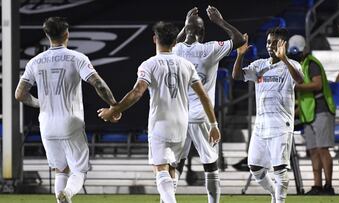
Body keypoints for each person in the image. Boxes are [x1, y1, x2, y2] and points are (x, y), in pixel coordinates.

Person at [97, 21, 221, 203]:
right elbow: (204, 97)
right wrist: (213, 125)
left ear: (155, 39)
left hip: (161, 124)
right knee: (171, 169)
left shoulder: (149, 64)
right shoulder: (186, 65)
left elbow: (137, 92)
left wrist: (113, 110)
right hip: (181, 125)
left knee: (159, 169)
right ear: (174, 43)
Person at [15, 17, 118, 203]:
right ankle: (68, 193)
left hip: (47, 125)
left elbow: (19, 94)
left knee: (60, 170)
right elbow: (99, 84)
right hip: (70, 123)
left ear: (47, 35)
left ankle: (63, 197)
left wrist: (42, 103)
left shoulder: (35, 62)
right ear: (67, 34)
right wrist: (113, 105)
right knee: (79, 171)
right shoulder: (77, 58)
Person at [172, 6, 245, 203]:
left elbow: (174, 44)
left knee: (176, 163)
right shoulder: (209, 49)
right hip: (202, 116)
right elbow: (240, 40)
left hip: (179, 116)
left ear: (186, 30)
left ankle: (167, 199)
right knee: (210, 162)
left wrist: (186, 23)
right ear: (202, 33)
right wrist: (220, 21)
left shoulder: (176, 50)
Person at [232, 27, 304, 203]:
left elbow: (300, 79)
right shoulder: (259, 65)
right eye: (268, 42)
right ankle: (273, 193)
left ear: (283, 44)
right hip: (262, 124)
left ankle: (279, 201)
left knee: (280, 169)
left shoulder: (292, 65)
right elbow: (236, 76)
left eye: (274, 42)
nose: (270, 45)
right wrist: (240, 55)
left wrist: (284, 58)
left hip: (281, 124)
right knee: (255, 167)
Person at [289, 35, 336, 195]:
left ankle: (329, 185)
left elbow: (318, 84)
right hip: (308, 113)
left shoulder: (312, 63)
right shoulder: (300, 64)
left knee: (323, 149)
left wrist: (297, 88)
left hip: (321, 110)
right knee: (313, 150)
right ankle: (317, 185)